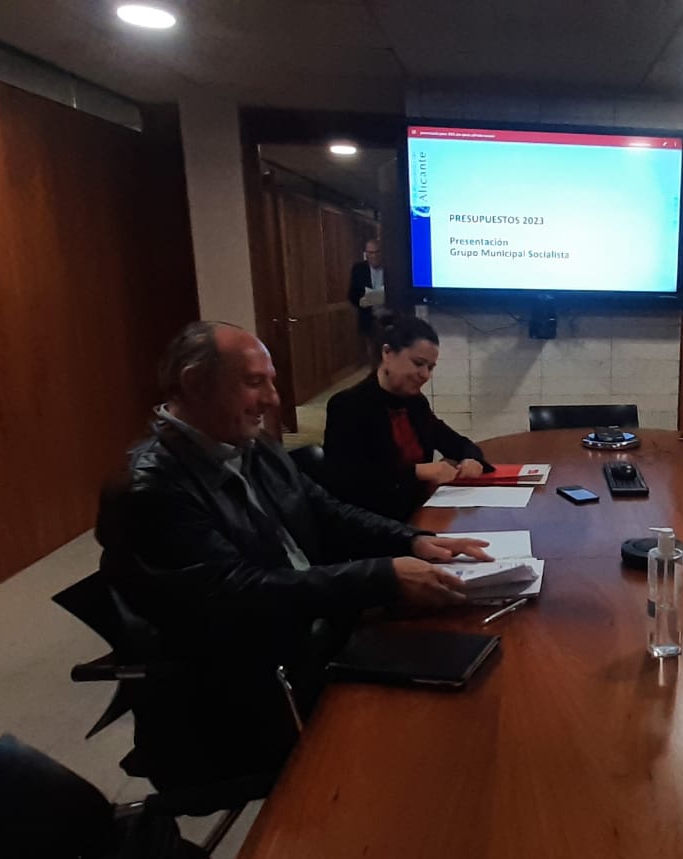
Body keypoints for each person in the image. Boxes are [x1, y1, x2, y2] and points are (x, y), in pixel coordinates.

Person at [97, 320, 490, 782]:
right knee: (431, 751)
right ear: (194, 384)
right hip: (249, 684)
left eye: (271, 382)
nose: (273, 399)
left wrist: (412, 540)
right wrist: (379, 577)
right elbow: (236, 592)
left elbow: (326, 509)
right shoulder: (151, 488)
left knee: (472, 659)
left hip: (314, 628)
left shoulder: (248, 446)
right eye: (253, 382)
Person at [321, 315, 491, 520]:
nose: (425, 375)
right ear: (387, 353)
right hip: (376, 522)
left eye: (430, 367)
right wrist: (417, 472)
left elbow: (455, 442)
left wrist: (471, 458)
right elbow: (350, 484)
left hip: (418, 510)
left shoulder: (415, 402)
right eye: (418, 363)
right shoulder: (348, 405)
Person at [347, 238, 386, 340]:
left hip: (390, 320)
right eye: (370, 253)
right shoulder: (359, 269)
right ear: (366, 254)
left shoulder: (391, 267)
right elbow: (352, 296)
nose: (374, 256)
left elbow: (396, 293)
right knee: (371, 353)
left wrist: (375, 297)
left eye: (377, 252)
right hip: (369, 321)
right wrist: (378, 297)